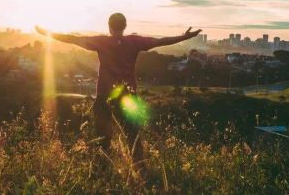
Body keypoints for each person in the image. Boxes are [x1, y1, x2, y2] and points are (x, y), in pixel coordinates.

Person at [35, 13, 202, 170]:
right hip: (128, 95)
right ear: (125, 26)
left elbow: (72, 39)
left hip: (105, 96)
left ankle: (102, 171)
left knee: (103, 138)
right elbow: (161, 41)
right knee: (133, 135)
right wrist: (185, 36)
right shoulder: (135, 41)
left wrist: (47, 33)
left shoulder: (102, 42)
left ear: (109, 26)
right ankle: (140, 170)